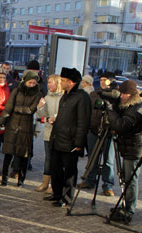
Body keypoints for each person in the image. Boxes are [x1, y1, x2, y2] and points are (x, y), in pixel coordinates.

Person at [44, 67, 91, 207]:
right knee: (55, 169)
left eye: (63, 80)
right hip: (58, 139)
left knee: (69, 172)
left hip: (70, 142)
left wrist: (79, 142)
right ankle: (57, 194)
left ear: (71, 82)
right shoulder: (65, 95)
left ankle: (67, 198)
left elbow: (83, 122)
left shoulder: (82, 97)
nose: (61, 83)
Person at [0, 71, 42, 187]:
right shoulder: (17, 91)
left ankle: (21, 180)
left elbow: (31, 110)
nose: (32, 84)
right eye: (30, 82)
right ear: (25, 81)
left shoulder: (37, 94)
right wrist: (0, 121)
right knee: (8, 152)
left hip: (26, 126)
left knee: (24, 154)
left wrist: (17, 109)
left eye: (34, 83)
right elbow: (8, 107)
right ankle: (4, 178)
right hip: (13, 124)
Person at [106, 80, 142, 224]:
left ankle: (129, 210)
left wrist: (110, 110)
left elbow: (121, 125)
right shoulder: (128, 106)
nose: (121, 96)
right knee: (126, 178)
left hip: (134, 149)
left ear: (132, 95)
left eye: (125, 93)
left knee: (131, 180)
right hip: (127, 146)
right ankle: (126, 205)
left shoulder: (136, 109)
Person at [78, 71, 118, 197]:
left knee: (108, 161)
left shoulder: (116, 95)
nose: (102, 82)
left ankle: (108, 185)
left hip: (109, 132)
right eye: (101, 80)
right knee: (92, 157)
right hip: (94, 130)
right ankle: (90, 180)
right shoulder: (94, 94)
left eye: (105, 80)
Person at [35, 74, 63, 192]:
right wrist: (40, 107)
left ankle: (54, 184)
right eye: (48, 82)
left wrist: (57, 118)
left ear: (58, 83)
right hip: (48, 131)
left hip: (60, 133)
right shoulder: (47, 97)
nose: (48, 85)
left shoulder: (64, 97)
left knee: (57, 159)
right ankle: (45, 182)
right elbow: (41, 115)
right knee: (48, 158)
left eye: (51, 82)